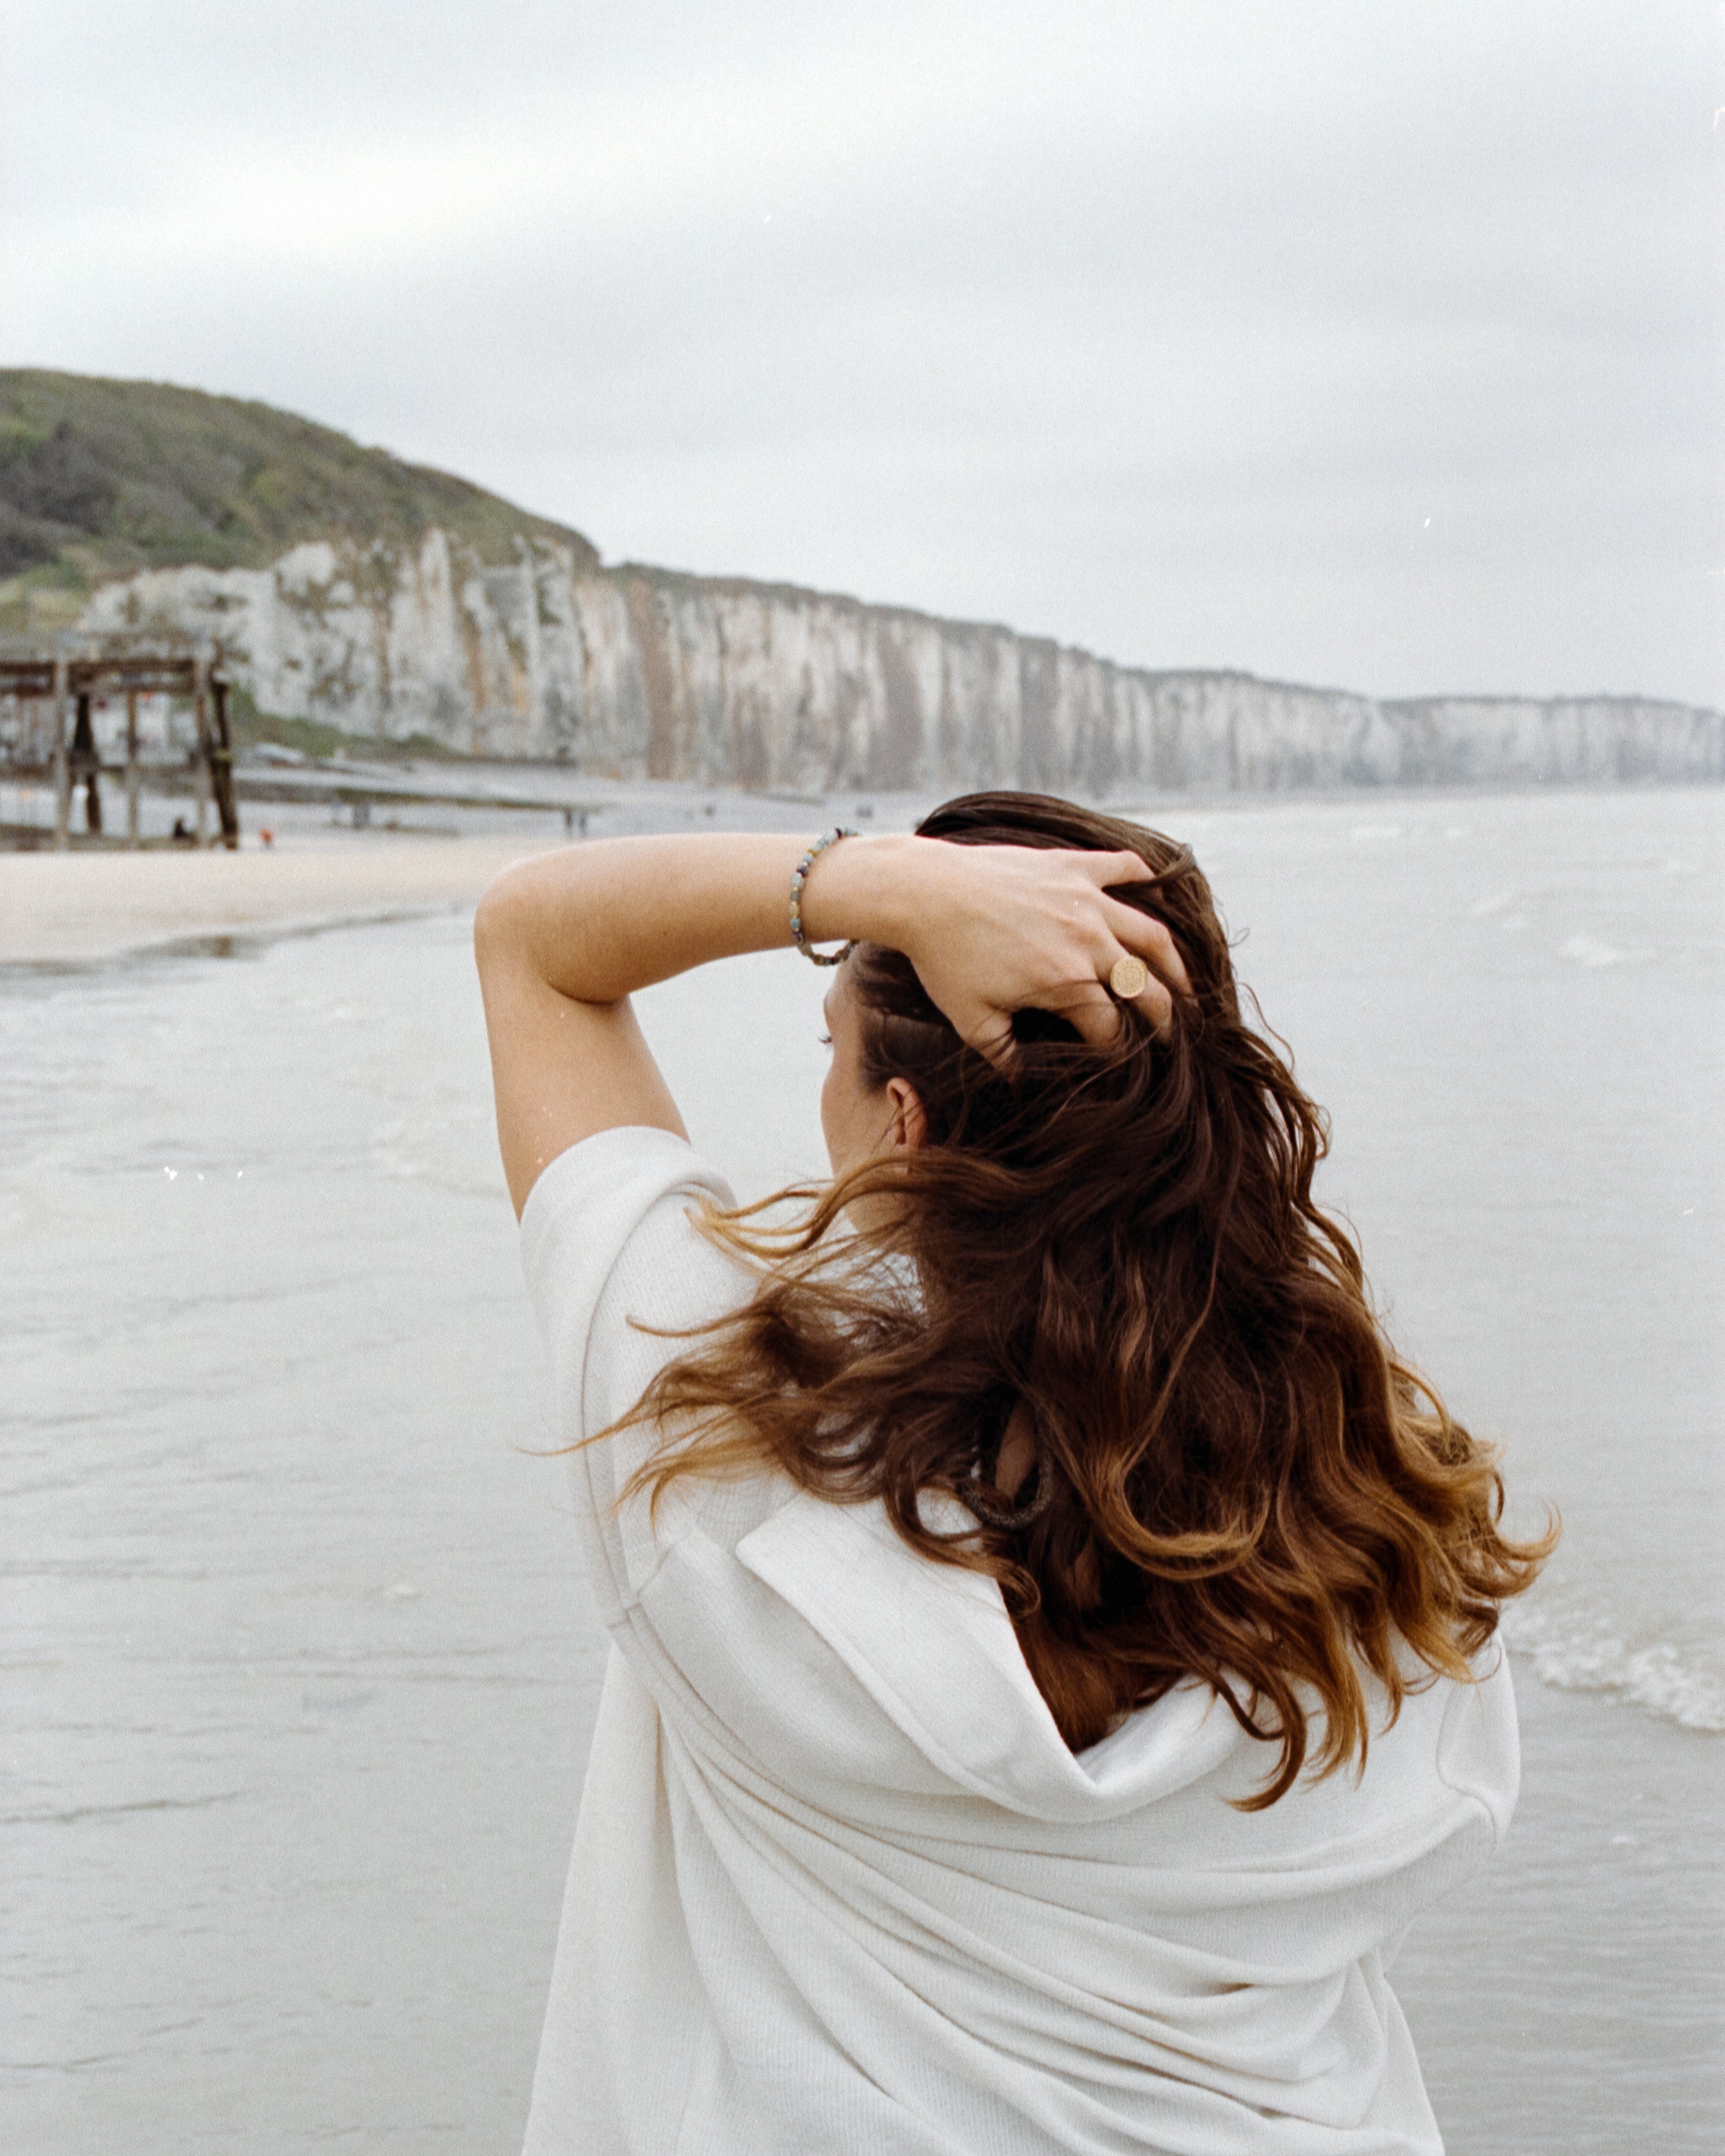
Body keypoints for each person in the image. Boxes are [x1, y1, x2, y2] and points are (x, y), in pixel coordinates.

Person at [474, 791, 1551, 2156]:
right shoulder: (1376, 1528)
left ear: (904, 1122)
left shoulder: (723, 1465)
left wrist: (870, 884)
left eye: (834, 1055)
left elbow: (532, 942)